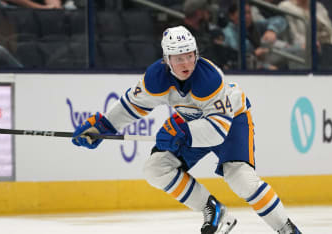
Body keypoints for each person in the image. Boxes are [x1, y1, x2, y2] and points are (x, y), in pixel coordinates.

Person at [71, 25, 301, 234]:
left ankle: (286, 228)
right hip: (192, 121)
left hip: (230, 120)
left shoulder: (209, 78)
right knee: (156, 168)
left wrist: (181, 133)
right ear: (167, 59)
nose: (186, 64)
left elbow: (217, 131)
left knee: (239, 178)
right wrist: (103, 126)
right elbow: (132, 105)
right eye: (178, 58)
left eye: (190, 56)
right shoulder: (155, 78)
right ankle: (212, 209)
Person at [223, 1, 288, 70]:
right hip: (243, 69)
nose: (248, 16)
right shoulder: (228, 33)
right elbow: (239, 58)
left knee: (296, 50)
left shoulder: (256, 26)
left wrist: (272, 30)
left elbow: (281, 20)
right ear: (231, 16)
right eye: (244, 13)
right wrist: (255, 54)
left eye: (249, 13)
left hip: (262, 61)